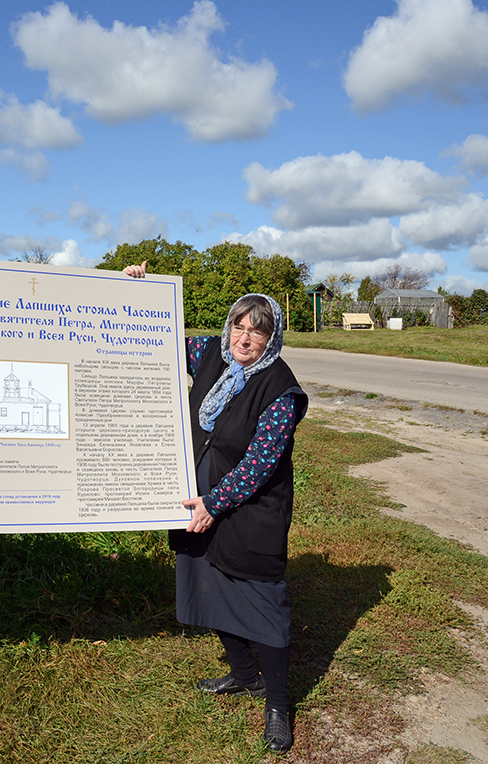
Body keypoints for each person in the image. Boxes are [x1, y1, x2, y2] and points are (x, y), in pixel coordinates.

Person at [125, 261, 308, 753]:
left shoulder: (280, 390)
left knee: (264, 603)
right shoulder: (210, 352)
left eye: (257, 331)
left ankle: (276, 703)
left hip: (249, 512)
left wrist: (214, 502)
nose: (244, 338)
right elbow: (153, 335)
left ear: (272, 339)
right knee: (205, 585)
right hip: (195, 502)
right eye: (239, 326)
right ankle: (243, 674)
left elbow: (260, 463)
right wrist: (138, 292)